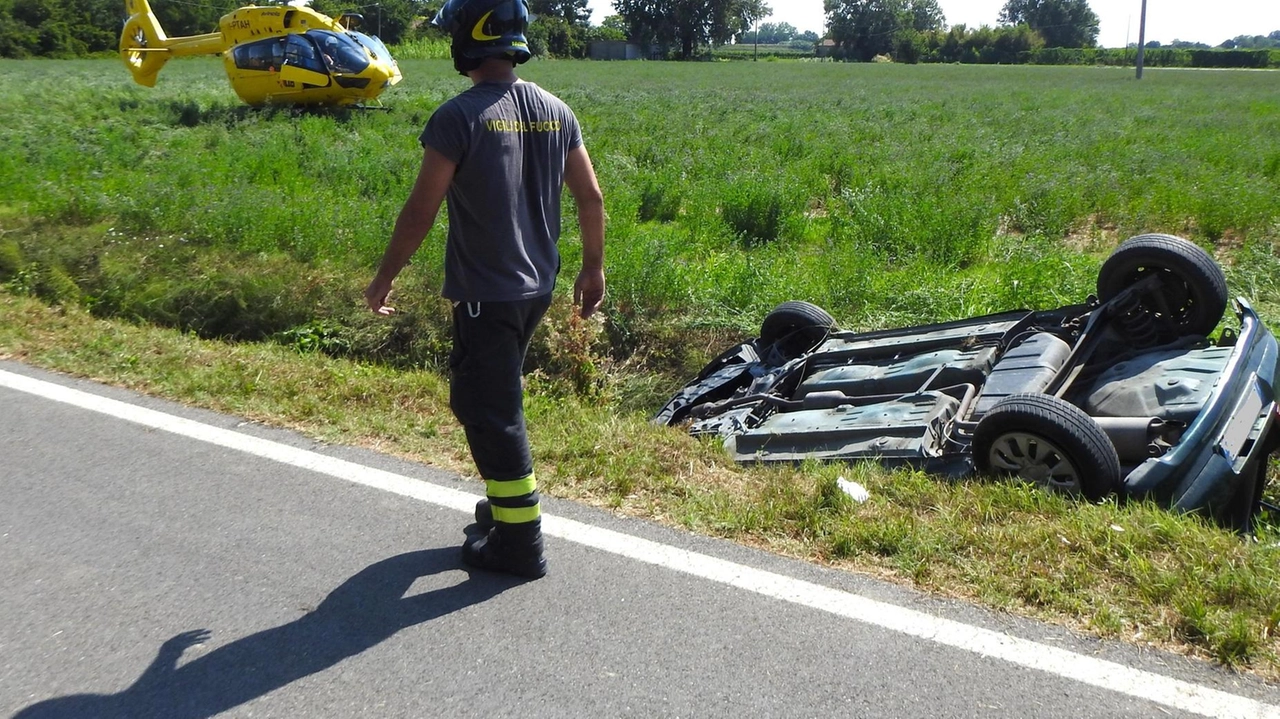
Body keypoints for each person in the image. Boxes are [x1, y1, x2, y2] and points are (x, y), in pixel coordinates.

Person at [363, 0, 605, 580]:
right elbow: (591, 199)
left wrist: (386, 274)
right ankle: (504, 505)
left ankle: (519, 543)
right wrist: (592, 268)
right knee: (487, 397)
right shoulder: (555, 109)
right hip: (535, 289)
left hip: (486, 293)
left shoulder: (458, 117)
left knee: (490, 410)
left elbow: (421, 209)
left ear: (466, 42)